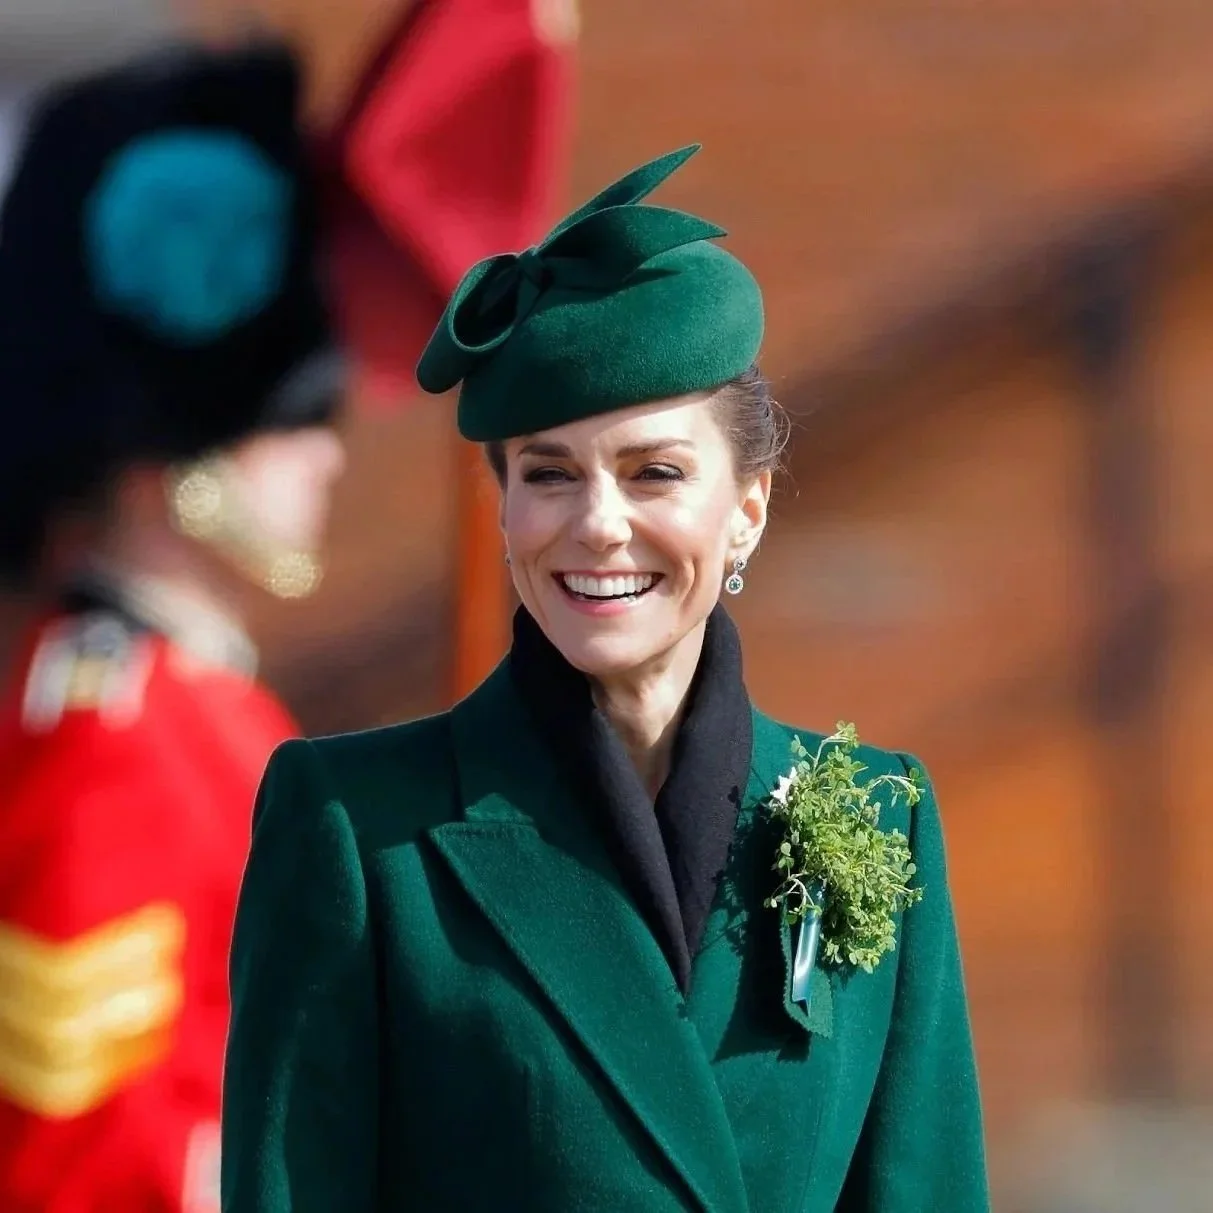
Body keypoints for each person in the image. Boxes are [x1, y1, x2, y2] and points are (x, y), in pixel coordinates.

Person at [221, 146, 989, 1212]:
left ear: (749, 507)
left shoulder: (872, 811)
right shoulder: (358, 826)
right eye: (548, 474)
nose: (596, 524)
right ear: (502, 508)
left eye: (653, 472)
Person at [0, 40, 346, 1213]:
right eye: (286, 418)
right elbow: (79, 1146)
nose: (328, 451)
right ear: (165, 468)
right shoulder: (119, 730)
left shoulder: (205, 711)